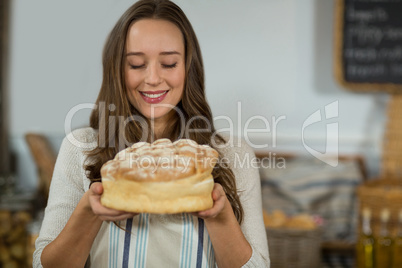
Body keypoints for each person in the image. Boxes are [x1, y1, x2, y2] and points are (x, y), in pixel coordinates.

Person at [33, 0, 270, 267]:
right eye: (136, 64)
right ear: (117, 70)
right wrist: (89, 211)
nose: (153, 78)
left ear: (188, 68)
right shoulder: (82, 148)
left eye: (169, 63)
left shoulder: (231, 153)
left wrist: (220, 215)